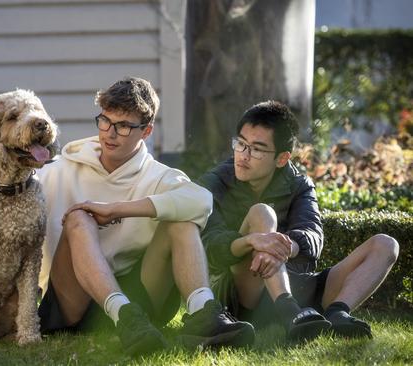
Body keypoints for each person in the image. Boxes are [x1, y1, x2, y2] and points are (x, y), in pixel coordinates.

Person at [36, 77, 254, 356]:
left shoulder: (159, 176)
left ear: (146, 131)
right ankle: (124, 316)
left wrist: (117, 209)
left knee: (181, 217)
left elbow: (201, 202)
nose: (110, 133)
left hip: (139, 300)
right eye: (105, 120)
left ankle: (205, 314)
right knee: (79, 217)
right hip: (73, 303)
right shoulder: (60, 170)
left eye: (124, 126)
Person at [198, 100, 399, 341]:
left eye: (257, 149)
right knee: (262, 213)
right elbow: (210, 246)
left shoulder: (300, 185)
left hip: (300, 287)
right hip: (243, 294)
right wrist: (254, 241)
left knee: (386, 245)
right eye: (241, 144)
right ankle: (288, 310)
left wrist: (281, 246)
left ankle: (338, 314)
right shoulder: (215, 182)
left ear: (282, 158)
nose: (244, 155)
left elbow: (313, 237)